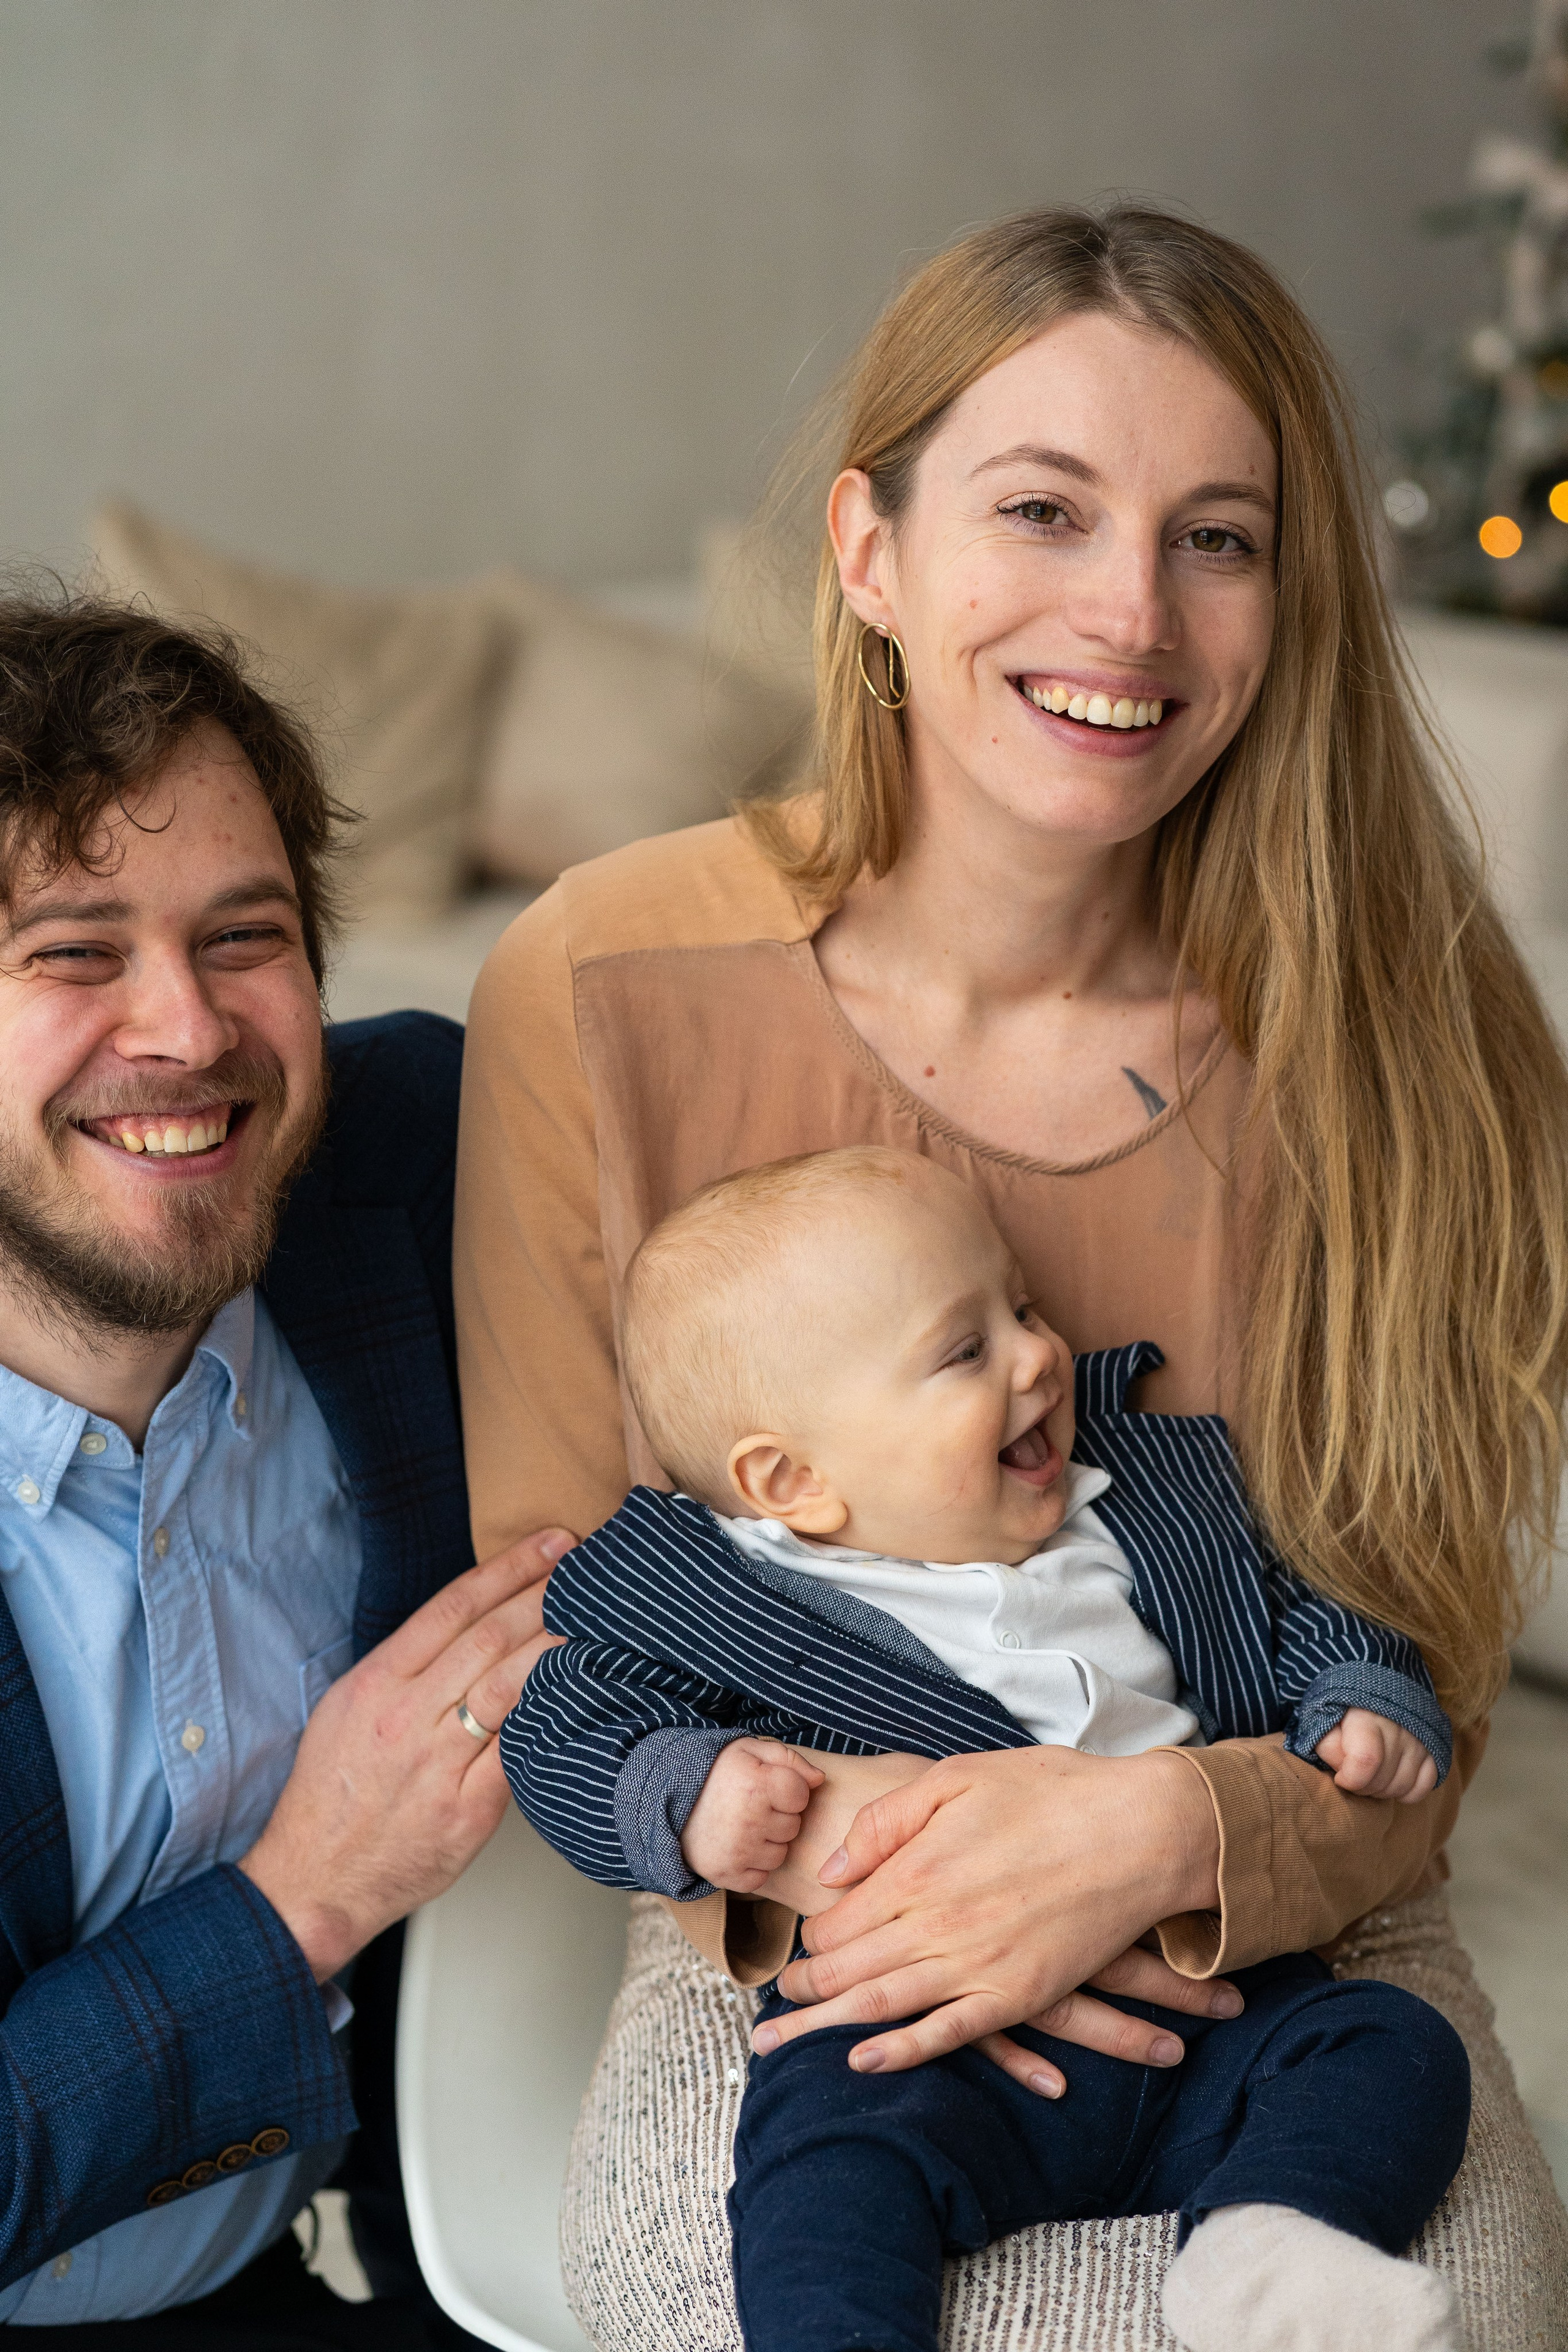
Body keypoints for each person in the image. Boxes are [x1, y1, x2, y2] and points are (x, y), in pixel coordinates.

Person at [454, 205, 1568, 2346]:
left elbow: (1417, 1688)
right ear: (868, 551)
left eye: (1217, 536)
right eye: (1042, 508)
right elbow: (562, 1597)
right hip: (796, 1933)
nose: (1129, 611)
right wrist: (934, 1854)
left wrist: (1158, 1838)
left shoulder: (1412, 1030)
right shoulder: (596, 977)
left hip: (1299, 1925)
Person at [507, 1145, 1471, 2352]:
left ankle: (1261, 2251)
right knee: (818, 2162)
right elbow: (556, 1725)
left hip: (1203, 1996)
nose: (1037, 1353)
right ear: (791, 1479)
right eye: (965, 1350)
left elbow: (1304, 1597)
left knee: (1389, 2050)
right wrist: (688, 1794)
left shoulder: (1147, 1497)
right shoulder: (713, 1593)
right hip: (926, 2031)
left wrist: (1359, 1690)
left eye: (1021, 1306)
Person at [0, 595, 565, 2349]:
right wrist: (311, 1890)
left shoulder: (425, 1159)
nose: (185, 1029)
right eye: (74, 953)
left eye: (244, 938)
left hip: (338, 2259)